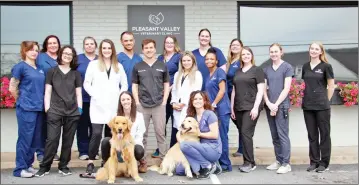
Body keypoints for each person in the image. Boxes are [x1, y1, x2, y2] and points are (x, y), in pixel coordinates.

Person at [35, 45, 82, 177]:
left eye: (70, 54)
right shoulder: (52, 71)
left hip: (72, 112)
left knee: (68, 141)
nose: (67, 56)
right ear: (60, 54)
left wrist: (79, 109)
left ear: (73, 57)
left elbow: (78, 93)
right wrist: (47, 108)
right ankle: (45, 167)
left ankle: (63, 166)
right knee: (52, 140)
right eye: (65, 53)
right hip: (55, 111)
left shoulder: (75, 74)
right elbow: (48, 91)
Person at [83, 39, 128, 174]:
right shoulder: (93, 64)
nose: (107, 50)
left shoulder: (118, 66)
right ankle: (91, 161)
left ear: (112, 50)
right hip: (97, 105)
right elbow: (86, 84)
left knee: (109, 136)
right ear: (100, 50)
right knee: (96, 134)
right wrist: (95, 96)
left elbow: (124, 84)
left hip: (113, 107)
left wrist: (119, 98)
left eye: (109, 48)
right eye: (104, 48)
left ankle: (106, 161)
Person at [132, 39, 170, 171]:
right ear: (143, 50)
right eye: (146, 48)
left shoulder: (162, 65)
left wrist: (164, 102)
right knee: (142, 135)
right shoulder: (138, 66)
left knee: (161, 133)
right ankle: (142, 161)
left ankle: (164, 160)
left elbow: (166, 85)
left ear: (155, 49)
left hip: (159, 105)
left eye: (151, 47)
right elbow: (134, 86)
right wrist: (137, 103)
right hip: (142, 105)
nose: (149, 50)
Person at [9, 41, 45, 178]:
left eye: (36, 50)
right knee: (25, 139)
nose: (34, 52)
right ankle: (20, 169)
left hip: (39, 108)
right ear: (24, 51)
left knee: (35, 139)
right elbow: (12, 87)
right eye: (31, 50)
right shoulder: (20, 67)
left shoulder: (39, 68)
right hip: (26, 108)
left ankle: (28, 165)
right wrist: (22, 100)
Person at [302, 42, 335, 173]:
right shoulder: (305, 66)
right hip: (308, 105)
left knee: (324, 135)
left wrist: (325, 100)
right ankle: (314, 162)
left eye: (317, 49)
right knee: (312, 135)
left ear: (321, 52)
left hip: (322, 106)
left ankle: (324, 163)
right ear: (309, 50)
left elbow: (331, 86)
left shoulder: (326, 66)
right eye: (312, 48)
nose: (314, 51)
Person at [231, 46, 265, 173]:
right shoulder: (238, 72)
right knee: (245, 134)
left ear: (251, 56)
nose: (245, 56)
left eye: (247, 54)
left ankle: (249, 162)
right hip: (238, 107)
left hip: (251, 107)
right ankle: (249, 161)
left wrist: (256, 108)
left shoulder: (257, 70)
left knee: (246, 133)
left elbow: (261, 90)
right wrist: (232, 107)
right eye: (243, 54)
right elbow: (234, 90)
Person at [175, 91, 222, 179]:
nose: (197, 101)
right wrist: (181, 142)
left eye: (200, 99)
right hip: (199, 147)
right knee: (179, 170)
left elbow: (215, 135)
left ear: (204, 101)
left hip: (212, 148)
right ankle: (211, 166)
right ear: (192, 102)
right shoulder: (192, 116)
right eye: (195, 99)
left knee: (185, 145)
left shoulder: (210, 114)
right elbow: (179, 132)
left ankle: (207, 165)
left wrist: (199, 133)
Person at [263, 43, 294, 174]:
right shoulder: (266, 69)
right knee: (275, 135)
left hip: (281, 106)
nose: (274, 54)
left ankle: (286, 163)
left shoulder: (287, 67)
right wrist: (269, 103)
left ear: (281, 52)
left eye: (276, 51)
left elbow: (286, 88)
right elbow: (264, 89)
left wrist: (276, 104)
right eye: (271, 52)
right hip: (270, 106)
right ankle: (279, 160)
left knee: (282, 135)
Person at [100, 91, 147, 173]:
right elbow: (111, 133)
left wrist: (128, 144)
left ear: (132, 100)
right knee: (105, 141)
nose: (126, 102)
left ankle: (141, 162)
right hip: (117, 143)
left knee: (139, 150)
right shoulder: (115, 115)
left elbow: (140, 135)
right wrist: (117, 144)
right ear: (120, 102)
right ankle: (105, 163)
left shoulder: (139, 116)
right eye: (123, 100)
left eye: (128, 99)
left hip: (132, 143)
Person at [152, 35, 181, 158]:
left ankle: (174, 147)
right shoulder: (160, 58)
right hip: (162, 95)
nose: (169, 44)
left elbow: (181, 73)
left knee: (176, 121)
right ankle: (161, 147)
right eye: (167, 42)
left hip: (174, 94)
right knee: (161, 122)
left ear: (175, 44)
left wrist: (171, 86)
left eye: (171, 42)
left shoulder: (179, 56)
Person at [204, 48, 232, 172]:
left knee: (222, 136)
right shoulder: (208, 75)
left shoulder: (220, 72)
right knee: (215, 137)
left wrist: (214, 103)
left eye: (212, 59)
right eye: (207, 59)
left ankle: (226, 164)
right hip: (213, 110)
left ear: (216, 61)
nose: (209, 61)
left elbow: (222, 90)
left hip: (221, 109)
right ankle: (219, 162)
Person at [36, 35, 61, 162]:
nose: (52, 45)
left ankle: (53, 152)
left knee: (54, 127)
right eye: (50, 43)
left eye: (55, 43)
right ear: (46, 45)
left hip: (58, 97)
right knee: (42, 126)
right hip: (43, 95)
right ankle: (41, 152)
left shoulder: (62, 57)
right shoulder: (40, 57)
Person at [170, 51, 202, 147]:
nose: (186, 62)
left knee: (187, 135)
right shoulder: (177, 74)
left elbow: (196, 93)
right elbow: (174, 91)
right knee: (176, 133)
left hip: (189, 109)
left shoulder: (197, 74)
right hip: (177, 109)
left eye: (188, 60)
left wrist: (184, 103)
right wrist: (173, 103)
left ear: (193, 61)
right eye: (184, 60)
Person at [76, 36, 98, 160]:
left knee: (95, 126)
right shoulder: (78, 59)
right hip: (82, 98)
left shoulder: (100, 60)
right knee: (82, 126)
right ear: (84, 46)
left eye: (91, 44)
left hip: (97, 100)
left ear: (95, 46)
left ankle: (93, 149)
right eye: (87, 44)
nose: (89, 46)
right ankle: (83, 151)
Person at [221, 38, 244, 157]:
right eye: (232, 45)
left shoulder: (242, 60)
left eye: (237, 45)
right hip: (228, 95)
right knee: (237, 121)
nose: (234, 47)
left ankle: (242, 149)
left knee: (240, 122)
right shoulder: (230, 61)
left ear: (241, 47)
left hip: (238, 95)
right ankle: (242, 148)